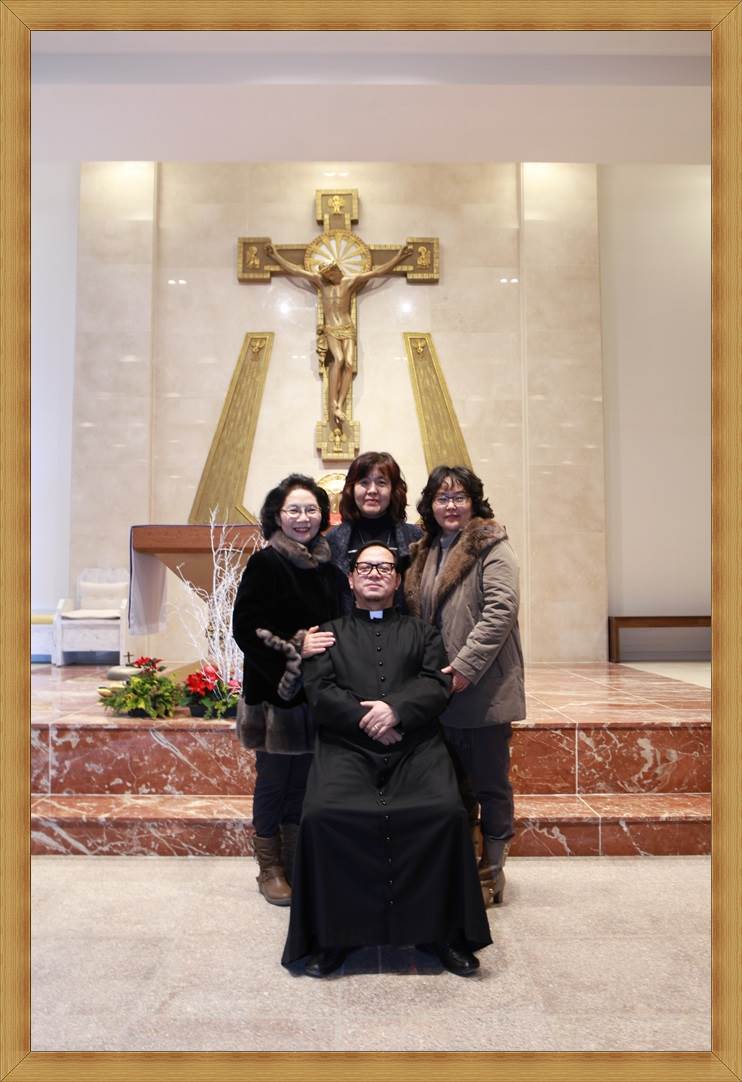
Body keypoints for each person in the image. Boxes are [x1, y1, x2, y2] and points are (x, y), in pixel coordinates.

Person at [281, 542, 492, 978]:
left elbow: (436, 683)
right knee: (323, 816)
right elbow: (319, 690)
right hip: (347, 747)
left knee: (445, 813)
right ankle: (333, 937)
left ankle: (443, 934)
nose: (374, 573)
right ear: (351, 579)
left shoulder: (424, 633)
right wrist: (370, 719)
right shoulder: (327, 634)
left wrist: (396, 710)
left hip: (414, 746)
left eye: (384, 568)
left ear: (397, 580)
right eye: (365, 567)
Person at [404, 466, 526, 907]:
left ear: (474, 502)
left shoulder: (491, 545)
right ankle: (459, 865)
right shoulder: (424, 550)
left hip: (481, 685)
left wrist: (464, 667)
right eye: (442, 497)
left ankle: (491, 872)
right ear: (430, 504)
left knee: (489, 784)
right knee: (452, 785)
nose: (450, 505)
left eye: (459, 497)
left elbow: (501, 611)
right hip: (437, 690)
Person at [232, 474, 345, 906]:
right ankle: (270, 868)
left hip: (316, 695)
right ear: (277, 516)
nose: (303, 518)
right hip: (275, 696)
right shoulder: (266, 563)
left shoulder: (328, 569)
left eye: (311, 509)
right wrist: (297, 645)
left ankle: (296, 862)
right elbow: (245, 628)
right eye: (293, 510)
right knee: (275, 782)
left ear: (323, 515)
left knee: (304, 783)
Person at [265, 243, 413, 428]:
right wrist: (275, 256)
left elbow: (377, 273)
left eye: (331, 274)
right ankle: (333, 403)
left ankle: (339, 404)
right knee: (339, 359)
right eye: (326, 275)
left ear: (337, 270)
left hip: (347, 327)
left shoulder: (350, 281)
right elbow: (296, 271)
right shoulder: (321, 282)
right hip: (331, 329)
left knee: (349, 364)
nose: (329, 277)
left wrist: (399, 257)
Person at [325, 450, 422, 610]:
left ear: (393, 490)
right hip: (347, 624)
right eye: (364, 482)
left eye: (381, 483)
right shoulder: (332, 540)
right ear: (351, 489)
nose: (372, 490)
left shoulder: (415, 538)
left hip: (403, 624)